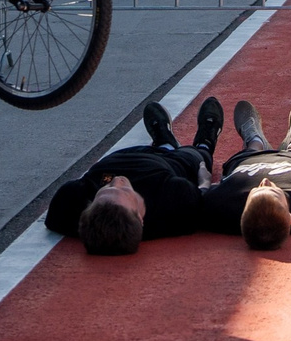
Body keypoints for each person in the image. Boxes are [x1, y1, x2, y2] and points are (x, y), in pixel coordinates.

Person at [47, 98, 224, 253]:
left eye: (105, 188)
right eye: (124, 190)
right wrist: (204, 181)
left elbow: (55, 220)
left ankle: (165, 142)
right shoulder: (175, 203)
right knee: (198, 158)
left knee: (165, 148)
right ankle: (205, 141)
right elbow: (203, 199)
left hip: (127, 154)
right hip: (173, 162)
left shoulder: (71, 204)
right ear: (140, 217)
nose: (117, 181)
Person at [199, 98, 291, 249]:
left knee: (248, 152)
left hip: (250, 161)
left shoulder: (220, 206)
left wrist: (204, 177)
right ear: (290, 218)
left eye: (256, 191)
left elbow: (202, 193)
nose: (265, 181)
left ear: (241, 214)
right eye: (274, 192)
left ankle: (255, 140)